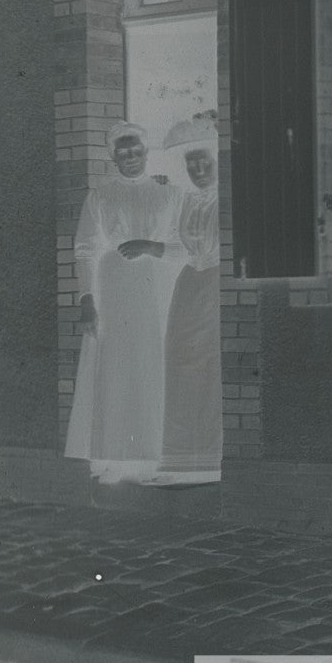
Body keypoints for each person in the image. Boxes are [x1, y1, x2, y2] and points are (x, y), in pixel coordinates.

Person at [64, 121, 183, 485]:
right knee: (114, 371)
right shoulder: (99, 196)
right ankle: (112, 458)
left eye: (136, 150)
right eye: (123, 151)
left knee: (149, 369)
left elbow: (184, 243)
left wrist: (150, 246)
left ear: (147, 153)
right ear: (111, 156)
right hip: (112, 290)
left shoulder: (170, 194)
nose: (130, 157)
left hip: (154, 289)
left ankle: (149, 459)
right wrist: (88, 302)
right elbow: (85, 250)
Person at [154, 117, 224, 484]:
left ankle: (210, 457)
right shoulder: (184, 201)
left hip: (216, 281)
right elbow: (178, 246)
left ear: (216, 163)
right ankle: (180, 456)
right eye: (192, 164)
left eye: (205, 163)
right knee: (179, 356)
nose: (198, 170)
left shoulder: (228, 200)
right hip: (189, 283)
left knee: (211, 362)